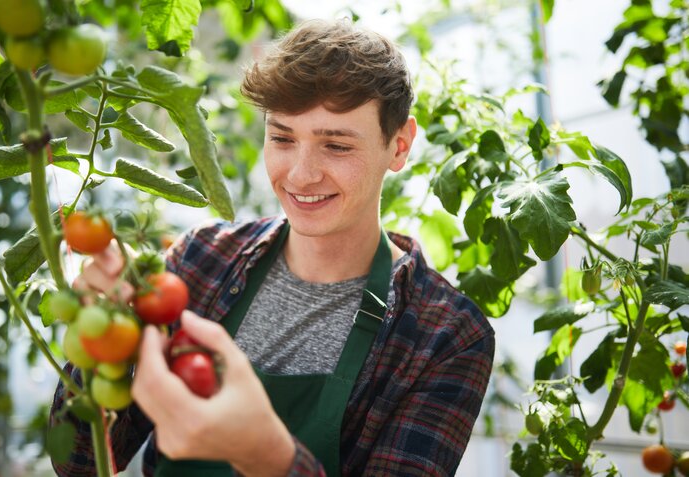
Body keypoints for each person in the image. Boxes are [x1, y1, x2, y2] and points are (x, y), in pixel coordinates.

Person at [51, 18, 495, 477]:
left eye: (337, 146)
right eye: (282, 138)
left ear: (399, 145)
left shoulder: (443, 334)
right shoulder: (202, 261)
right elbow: (78, 463)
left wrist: (267, 456)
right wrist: (108, 339)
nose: (301, 175)